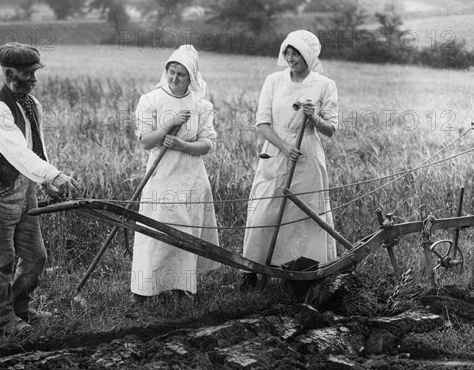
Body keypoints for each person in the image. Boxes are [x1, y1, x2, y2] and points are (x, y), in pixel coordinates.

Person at [0, 42, 81, 334]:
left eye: (35, 72)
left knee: (36, 257)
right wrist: (54, 175)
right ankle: (3, 320)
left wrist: (47, 181)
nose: (34, 79)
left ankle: (21, 308)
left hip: (24, 187)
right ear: (9, 72)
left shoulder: (32, 105)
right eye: (28, 73)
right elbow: (17, 151)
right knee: (0, 260)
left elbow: (35, 149)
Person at [241, 30, 338, 289]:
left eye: (296, 54)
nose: (291, 58)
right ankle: (252, 269)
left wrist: (314, 117)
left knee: (303, 211)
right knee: (264, 208)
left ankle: (300, 271)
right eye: (288, 52)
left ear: (308, 56)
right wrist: (284, 147)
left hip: (307, 152)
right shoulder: (274, 80)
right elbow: (262, 122)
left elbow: (331, 129)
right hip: (275, 149)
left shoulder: (324, 84)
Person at [130, 44, 220, 302]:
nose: (175, 78)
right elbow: (146, 142)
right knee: (155, 230)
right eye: (171, 71)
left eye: (181, 74)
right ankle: (144, 289)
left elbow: (208, 143)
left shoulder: (202, 105)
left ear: (191, 77)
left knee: (186, 229)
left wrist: (183, 145)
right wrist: (168, 126)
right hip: (160, 176)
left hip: (191, 176)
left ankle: (182, 287)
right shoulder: (150, 100)